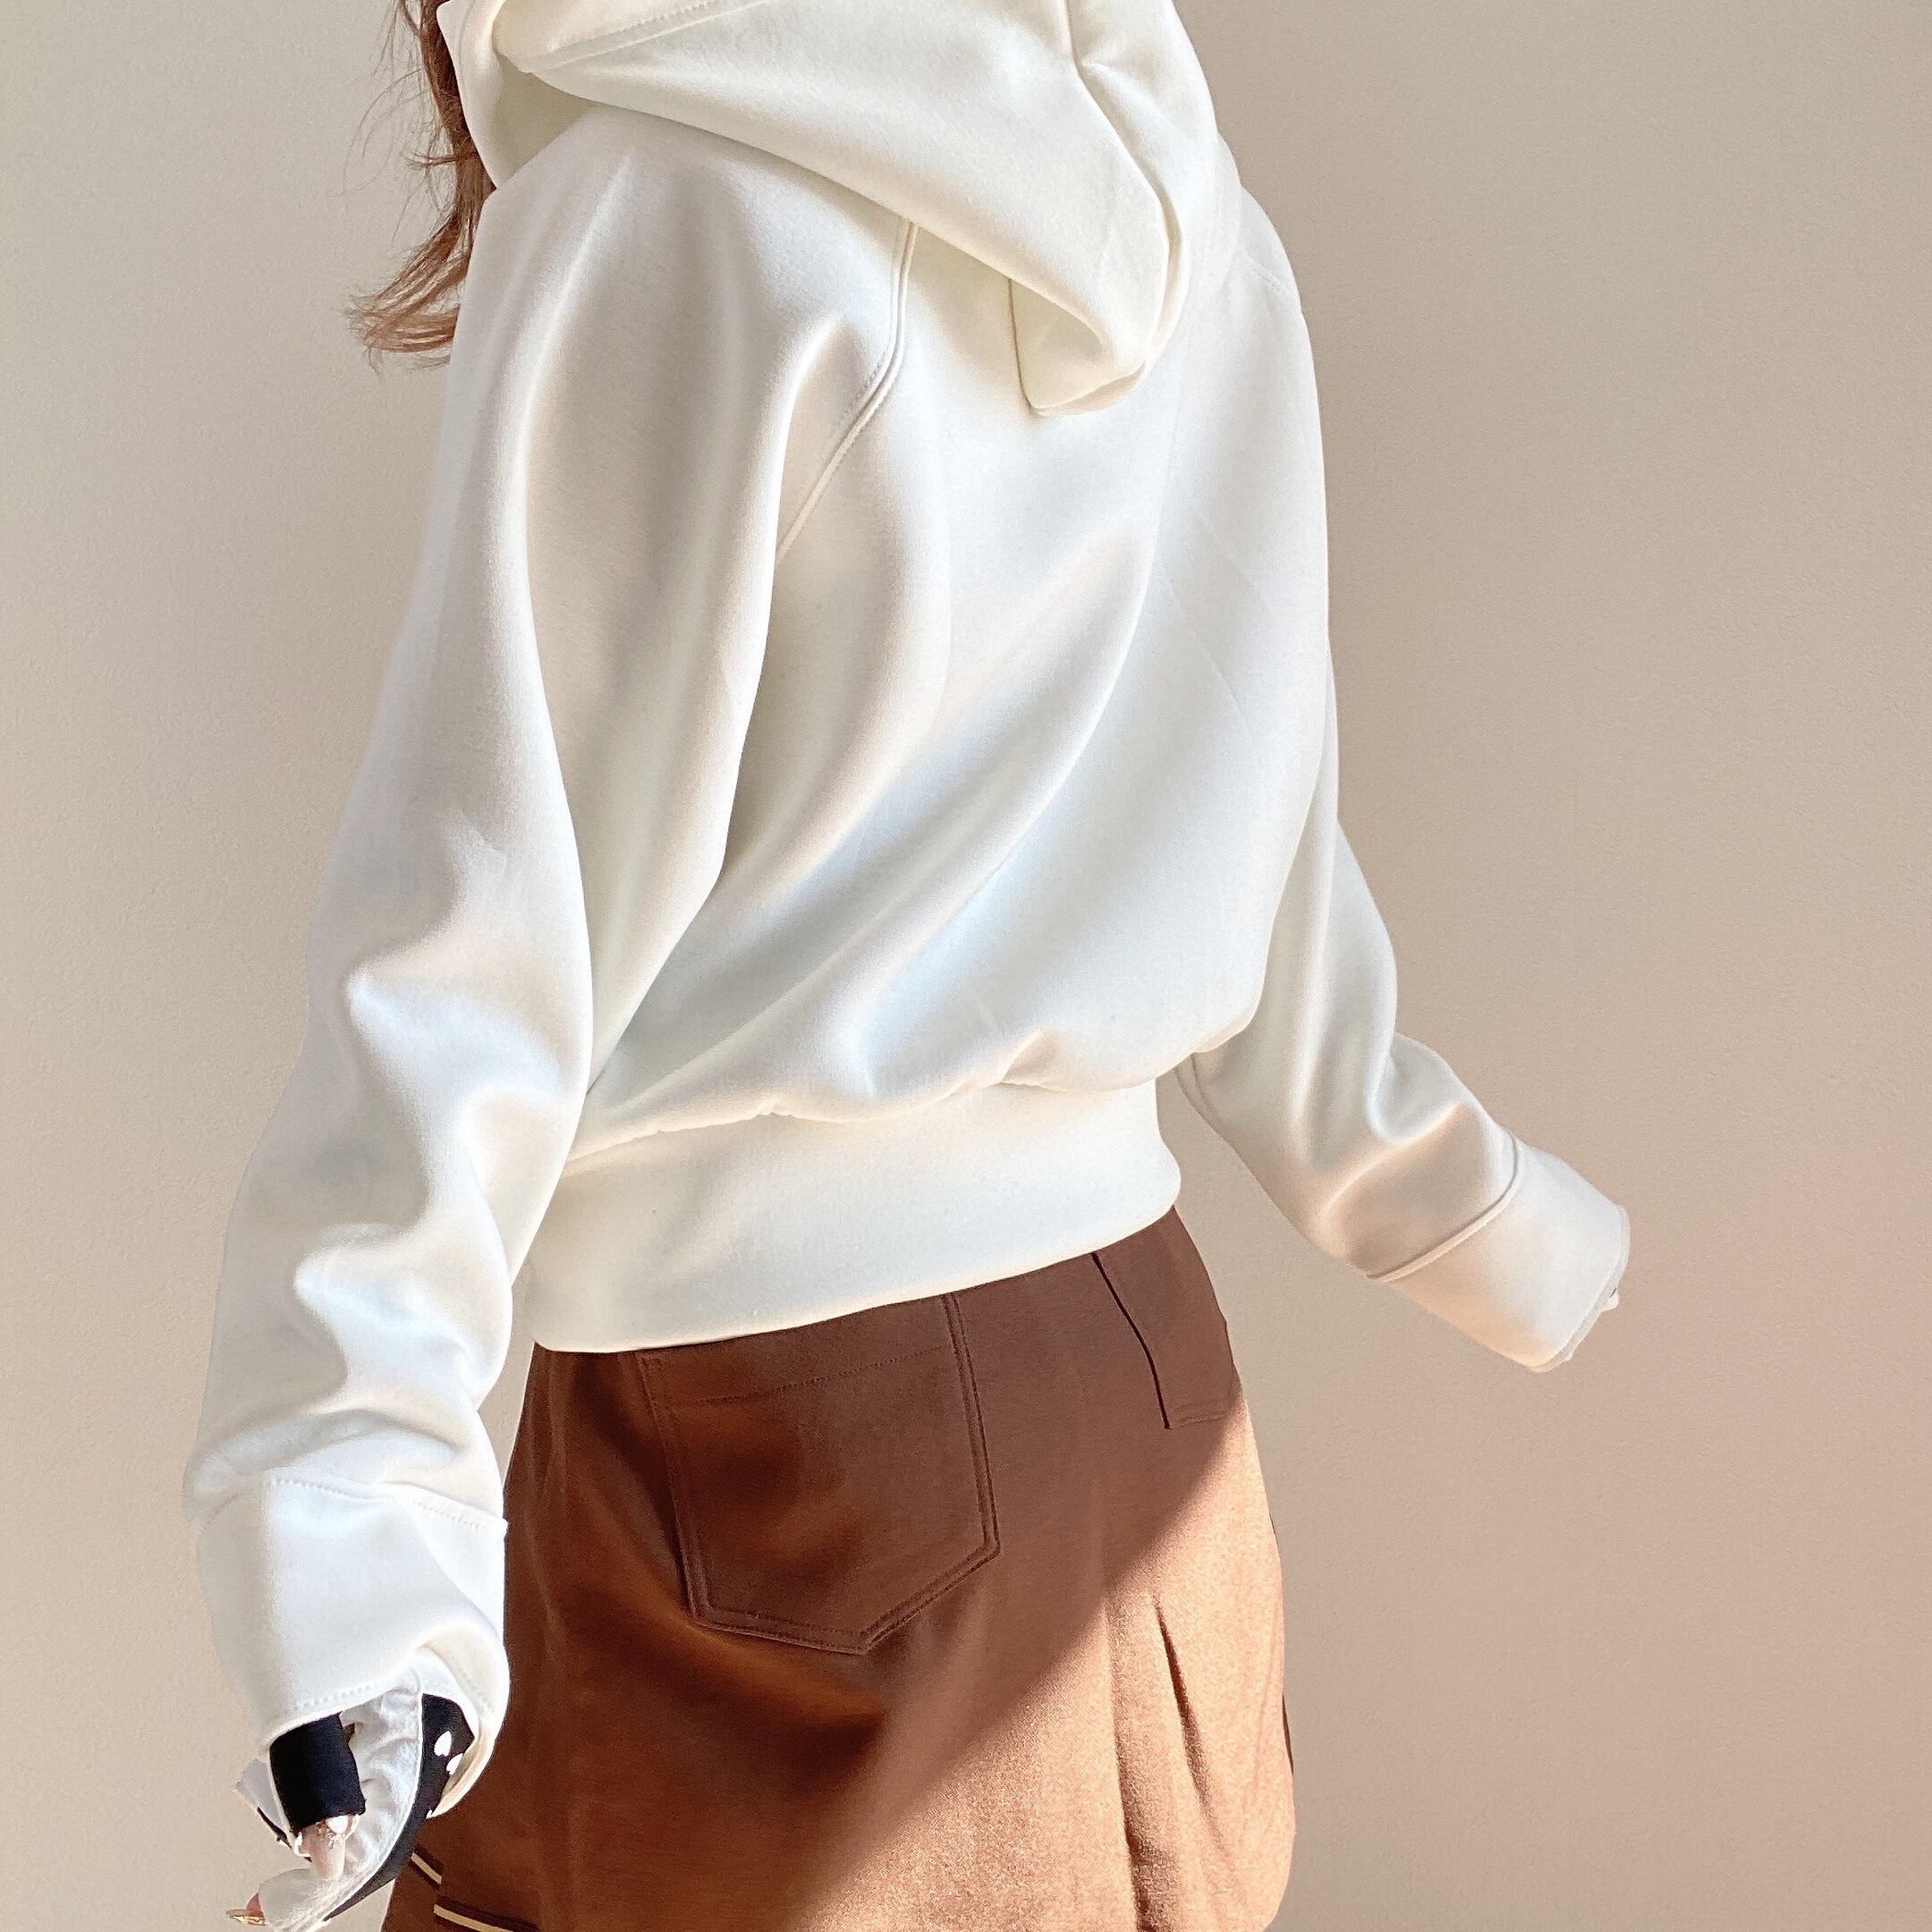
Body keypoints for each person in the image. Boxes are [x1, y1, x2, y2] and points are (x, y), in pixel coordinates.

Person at [183, 0, 1631, 1926]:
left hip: (779, 1451)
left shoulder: (653, 206)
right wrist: (1452, 1198)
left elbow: (476, 923)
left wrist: (346, 1510)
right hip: (1142, 1375)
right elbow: (1245, 809)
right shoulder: (1188, 212)